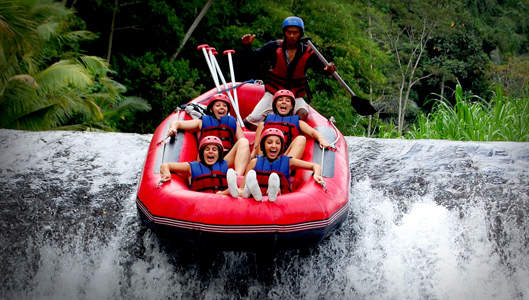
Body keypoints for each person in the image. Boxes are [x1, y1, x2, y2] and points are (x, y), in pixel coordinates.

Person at [240, 16, 336, 127]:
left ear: (300, 34)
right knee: (250, 121)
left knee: (303, 113)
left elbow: (321, 69)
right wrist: (246, 46)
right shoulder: (273, 47)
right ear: (284, 32)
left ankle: (285, 128)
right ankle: (271, 126)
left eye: (295, 33)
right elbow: (254, 58)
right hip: (273, 93)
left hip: (295, 95)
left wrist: (329, 70)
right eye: (288, 32)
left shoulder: (308, 52)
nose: (291, 36)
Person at [230, 128, 324, 202]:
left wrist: (316, 174)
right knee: (243, 190)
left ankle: (272, 191)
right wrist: (227, 192)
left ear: (281, 146)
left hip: (280, 197)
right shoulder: (254, 162)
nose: (274, 146)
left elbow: (315, 166)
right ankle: (251, 191)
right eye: (269, 142)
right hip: (255, 196)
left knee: (276, 188)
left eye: (277, 143)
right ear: (263, 145)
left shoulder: (289, 161)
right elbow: (242, 187)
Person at [167, 93, 249, 175]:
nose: (221, 107)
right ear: (211, 109)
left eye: (224, 106)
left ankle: (237, 176)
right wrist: (173, 129)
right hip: (205, 161)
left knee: (244, 142)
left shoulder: (233, 122)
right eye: (218, 105)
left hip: (224, 160)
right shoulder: (202, 122)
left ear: (227, 110)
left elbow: (243, 141)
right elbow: (178, 124)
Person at [251, 89, 330, 160]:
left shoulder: (298, 122)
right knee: (261, 126)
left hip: (284, 158)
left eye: (288, 101)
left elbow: (313, 132)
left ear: (292, 106)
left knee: (301, 139)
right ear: (275, 105)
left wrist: (321, 139)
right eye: (280, 100)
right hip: (266, 157)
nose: (284, 102)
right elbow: (256, 146)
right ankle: (261, 164)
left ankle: (283, 168)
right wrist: (252, 157)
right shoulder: (264, 123)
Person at [160, 136, 238, 195]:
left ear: (219, 154)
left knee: (234, 190)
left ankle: (237, 190)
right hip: (200, 201)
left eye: (214, 150)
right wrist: (166, 174)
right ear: (202, 153)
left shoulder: (224, 165)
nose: (210, 152)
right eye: (207, 149)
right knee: (223, 193)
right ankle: (230, 191)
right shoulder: (191, 166)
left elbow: (240, 147)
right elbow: (165, 165)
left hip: (223, 201)